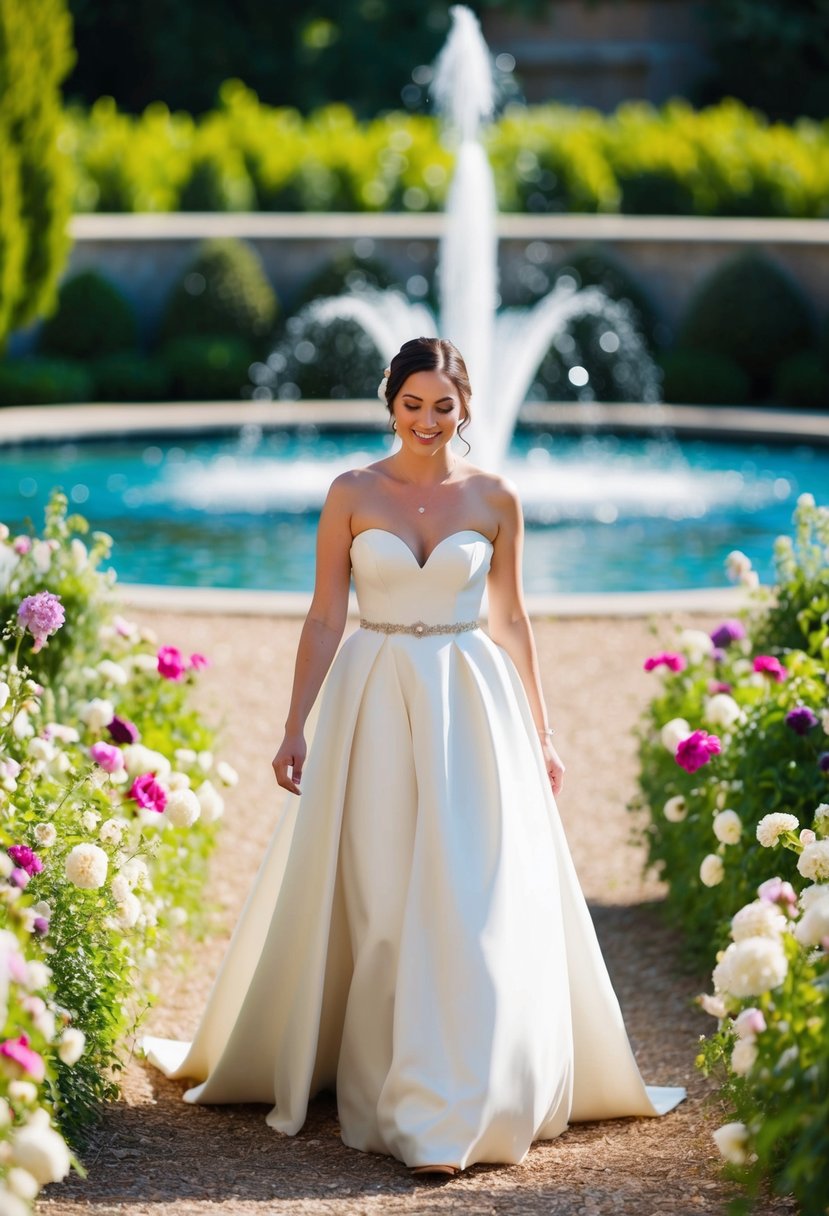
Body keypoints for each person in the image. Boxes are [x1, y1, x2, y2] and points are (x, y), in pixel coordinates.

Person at [141, 336, 684, 1178]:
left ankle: (455, 1094)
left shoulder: (497, 497)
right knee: (384, 892)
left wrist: (541, 733)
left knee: (470, 891)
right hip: (373, 698)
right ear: (389, 403)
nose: (428, 421)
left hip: (472, 703)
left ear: (465, 407)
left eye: (443, 406)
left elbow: (511, 621)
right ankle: (380, 1077)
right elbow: (325, 617)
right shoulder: (350, 493)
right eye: (411, 405)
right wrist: (294, 726)